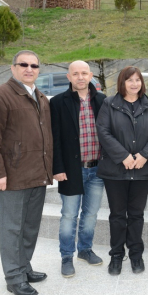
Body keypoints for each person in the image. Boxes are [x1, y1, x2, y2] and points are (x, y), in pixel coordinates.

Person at [0, 50, 53, 295]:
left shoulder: (40, 97)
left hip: (37, 174)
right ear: (13, 68)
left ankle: (24, 267)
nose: (29, 69)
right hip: (13, 176)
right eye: (23, 64)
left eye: (34, 65)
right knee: (12, 228)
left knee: (29, 227)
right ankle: (14, 277)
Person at [96, 66, 148, 275]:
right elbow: (104, 131)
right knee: (117, 215)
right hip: (115, 170)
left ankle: (136, 254)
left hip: (142, 170)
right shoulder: (109, 104)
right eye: (130, 80)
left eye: (138, 80)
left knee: (136, 214)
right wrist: (124, 156)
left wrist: (144, 156)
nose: (134, 84)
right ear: (122, 83)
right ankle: (116, 256)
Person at [50, 61, 106, 278]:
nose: (80, 77)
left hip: (97, 170)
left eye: (84, 73)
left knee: (91, 213)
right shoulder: (57, 103)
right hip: (71, 170)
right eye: (76, 74)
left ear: (91, 75)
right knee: (69, 215)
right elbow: (54, 138)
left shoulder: (102, 101)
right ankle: (66, 256)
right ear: (69, 77)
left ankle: (85, 249)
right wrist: (58, 167)